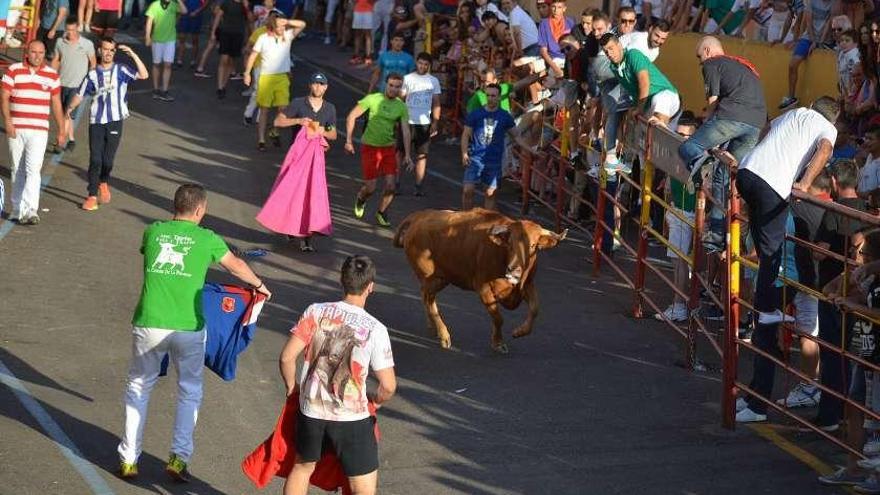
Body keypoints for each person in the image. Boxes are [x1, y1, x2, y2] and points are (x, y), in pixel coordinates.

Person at [118, 183, 272, 481]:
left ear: (175, 205)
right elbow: (236, 266)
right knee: (189, 390)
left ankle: (128, 458)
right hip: (189, 327)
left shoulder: (153, 231)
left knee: (139, 387)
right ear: (200, 210)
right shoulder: (207, 239)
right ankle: (178, 457)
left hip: (150, 321)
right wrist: (259, 286)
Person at [731, 97, 838, 423]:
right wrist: (803, 183)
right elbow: (823, 150)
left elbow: (765, 130)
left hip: (747, 174)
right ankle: (758, 402)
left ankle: (755, 396)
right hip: (772, 188)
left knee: (766, 259)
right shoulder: (827, 128)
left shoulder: (794, 115)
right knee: (769, 283)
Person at [279, 254, 396, 495]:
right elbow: (388, 386)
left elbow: (287, 357)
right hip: (352, 418)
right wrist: (376, 400)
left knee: (302, 468)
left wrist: (293, 388)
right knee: (361, 486)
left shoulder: (315, 311)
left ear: (342, 280)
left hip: (311, 410)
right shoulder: (375, 329)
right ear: (370, 287)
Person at [679, 36, 766, 252]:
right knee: (724, 176)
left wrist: (705, 123)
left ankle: (704, 166)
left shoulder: (711, 64)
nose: (700, 62)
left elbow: (713, 102)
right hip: (756, 124)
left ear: (708, 51)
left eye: (700, 56)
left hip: (730, 117)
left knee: (687, 148)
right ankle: (717, 234)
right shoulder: (741, 66)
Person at [66, 38, 149, 211]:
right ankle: (91, 195)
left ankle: (103, 181)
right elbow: (80, 94)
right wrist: (70, 108)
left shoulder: (121, 70)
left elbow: (144, 75)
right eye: (105, 49)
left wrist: (133, 54)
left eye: (112, 50)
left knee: (108, 161)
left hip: (115, 120)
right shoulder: (92, 75)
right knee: (95, 158)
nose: (108, 53)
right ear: (99, 51)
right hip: (96, 121)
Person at [260, 72, 337, 252]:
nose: (318, 87)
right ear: (310, 85)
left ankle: (308, 236)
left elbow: (333, 133)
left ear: (326, 88)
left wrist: (320, 132)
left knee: (313, 195)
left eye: (321, 85)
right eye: (315, 84)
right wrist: (299, 121)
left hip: (316, 160)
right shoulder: (298, 103)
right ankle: (291, 228)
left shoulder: (329, 109)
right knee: (293, 194)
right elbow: (278, 121)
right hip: (298, 157)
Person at [1, 40, 65, 226]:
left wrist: (61, 130)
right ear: (27, 53)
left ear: (45, 53)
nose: (37, 56)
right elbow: (4, 96)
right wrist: (8, 121)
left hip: (39, 130)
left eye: (41, 52)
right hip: (17, 128)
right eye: (34, 52)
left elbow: (56, 103)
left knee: (33, 169)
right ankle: (16, 208)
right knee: (16, 169)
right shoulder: (14, 70)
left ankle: (31, 210)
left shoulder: (52, 76)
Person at [345, 73, 413, 227]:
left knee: (391, 186)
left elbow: (406, 130)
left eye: (397, 87)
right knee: (371, 188)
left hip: (388, 148)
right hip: (370, 147)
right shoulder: (372, 99)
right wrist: (348, 140)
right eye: (391, 85)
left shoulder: (401, 106)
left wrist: (408, 154)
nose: (394, 89)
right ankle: (361, 198)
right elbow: (351, 116)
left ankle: (381, 212)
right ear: (385, 85)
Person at [243, 16, 306, 150]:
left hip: (282, 78)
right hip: (266, 77)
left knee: (283, 109)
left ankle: (274, 129)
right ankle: (261, 140)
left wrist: (287, 22)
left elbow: (302, 24)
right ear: (272, 28)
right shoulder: (263, 38)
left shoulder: (287, 36)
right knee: (264, 109)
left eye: (284, 26)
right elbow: (253, 55)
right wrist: (247, 73)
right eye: (279, 26)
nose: (283, 28)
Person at [460, 83, 523, 210]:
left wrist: (531, 151)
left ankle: (487, 224)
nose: (490, 98)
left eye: (493, 96)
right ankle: (465, 219)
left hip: (494, 161)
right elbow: (466, 134)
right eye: (488, 95)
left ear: (499, 97)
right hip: (475, 158)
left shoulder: (505, 116)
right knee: (468, 190)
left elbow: (517, 136)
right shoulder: (475, 114)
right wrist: (464, 153)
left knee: (490, 194)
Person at [599, 32, 680, 127]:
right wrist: (635, 108)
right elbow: (633, 91)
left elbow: (644, 83)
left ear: (619, 45)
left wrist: (639, 108)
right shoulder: (614, 67)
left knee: (658, 100)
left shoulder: (633, 55)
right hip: (648, 105)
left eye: (611, 48)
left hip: (667, 96)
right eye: (606, 51)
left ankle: (661, 125)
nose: (609, 53)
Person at [777, 0, 838, 109]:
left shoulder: (834, 3)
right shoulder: (811, 2)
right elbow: (808, 22)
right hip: (808, 38)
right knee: (792, 64)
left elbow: (829, 23)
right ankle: (791, 97)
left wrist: (821, 42)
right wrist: (813, 40)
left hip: (826, 39)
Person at [51, 17, 96, 152]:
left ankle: (60, 142)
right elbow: (56, 59)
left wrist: (88, 82)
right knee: (63, 114)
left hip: (77, 86)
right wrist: (51, 76)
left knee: (67, 113)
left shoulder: (87, 44)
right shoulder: (60, 42)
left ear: (77, 28)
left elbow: (93, 63)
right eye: (67, 30)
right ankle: (71, 139)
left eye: (72, 30)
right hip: (61, 83)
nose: (69, 33)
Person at [400, 51, 440, 196]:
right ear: (416, 63)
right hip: (407, 121)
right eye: (420, 63)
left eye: (425, 64)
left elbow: (436, 103)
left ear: (429, 66)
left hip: (424, 123)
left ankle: (418, 186)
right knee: (400, 153)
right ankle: (396, 183)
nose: (422, 66)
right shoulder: (408, 79)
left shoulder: (433, 81)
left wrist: (435, 122)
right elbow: (401, 99)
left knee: (422, 155)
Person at [146, 0, 188, 102]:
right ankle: (156, 89)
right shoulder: (155, 5)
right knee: (156, 64)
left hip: (170, 39)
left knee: (168, 65)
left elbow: (185, 11)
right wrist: (147, 37)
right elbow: (149, 21)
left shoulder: (174, 5)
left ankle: (165, 90)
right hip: (157, 39)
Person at [211, 0, 251, 99]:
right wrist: (213, 32)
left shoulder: (244, 5)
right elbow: (218, 16)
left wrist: (246, 7)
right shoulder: (227, 3)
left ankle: (223, 85)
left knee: (231, 61)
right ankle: (219, 87)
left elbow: (251, 19)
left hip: (238, 35)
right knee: (223, 59)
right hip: (225, 33)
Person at [536, 0, 574, 88]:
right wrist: (555, 68)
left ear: (564, 9)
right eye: (553, 7)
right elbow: (543, 51)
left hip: (567, 59)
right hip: (552, 59)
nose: (556, 10)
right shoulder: (544, 24)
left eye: (559, 7)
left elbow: (573, 46)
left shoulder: (570, 22)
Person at [175, 0, 210, 68]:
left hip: (196, 15)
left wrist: (197, 11)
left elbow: (206, 2)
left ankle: (193, 61)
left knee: (195, 39)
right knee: (182, 38)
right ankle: (179, 60)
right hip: (184, 15)